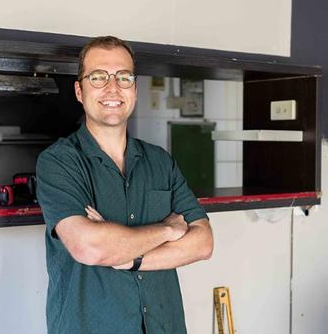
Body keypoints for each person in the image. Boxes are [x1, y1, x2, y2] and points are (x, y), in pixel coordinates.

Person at [36, 35, 213, 334]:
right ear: (79, 90)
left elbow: (202, 243)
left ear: (135, 89)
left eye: (123, 77)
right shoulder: (59, 162)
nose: (112, 88)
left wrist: (130, 258)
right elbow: (89, 247)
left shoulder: (160, 161)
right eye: (98, 77)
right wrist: (167, 230)